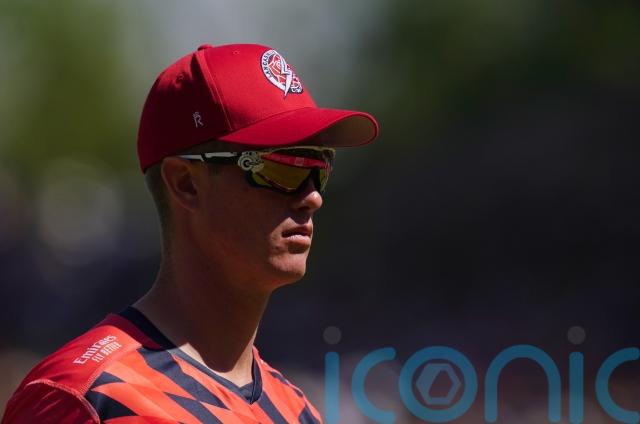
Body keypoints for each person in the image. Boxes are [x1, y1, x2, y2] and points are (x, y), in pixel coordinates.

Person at [1, 43, 378, 423]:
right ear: (186, 184)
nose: (312, 197)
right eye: (284, 169)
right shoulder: (85, 398)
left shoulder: (299, 412)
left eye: (319, 168)